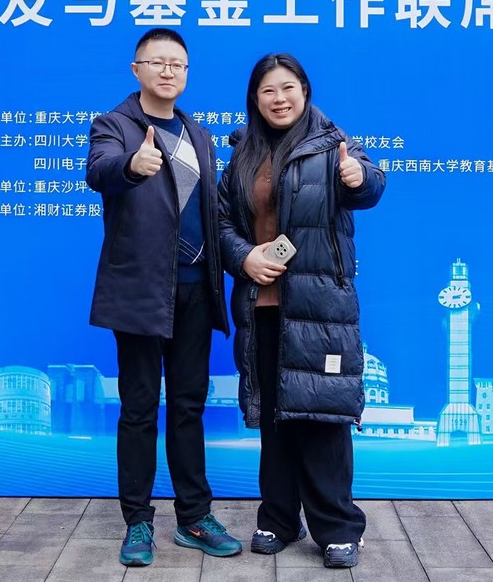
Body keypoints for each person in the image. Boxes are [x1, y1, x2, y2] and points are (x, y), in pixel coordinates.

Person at [218, 52, 385, 569]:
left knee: (323, 420)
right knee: (275, 419)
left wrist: (357, 177)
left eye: (288, 87)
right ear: (255, 99)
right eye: (268, 90)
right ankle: (278, 518)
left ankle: (338, 527)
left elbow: (372, 184)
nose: (279, 98)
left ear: (305, 92)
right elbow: (222, 223)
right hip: (262, 306)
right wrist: (245, 257)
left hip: (320, 310)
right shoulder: (242, 154)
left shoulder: (334, 145)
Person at [86, 28, 242, 567]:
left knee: (188, 406)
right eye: (158, 61)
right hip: (140, 292)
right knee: (138, 408)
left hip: (197, 289)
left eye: (178, 63)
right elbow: (99, 170)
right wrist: (132, 166)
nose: (169, 70)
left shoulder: (199, 134)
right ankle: (137, 521)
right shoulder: (114, 125)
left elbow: (213, 212)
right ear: (137, 70)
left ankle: (194, 516)